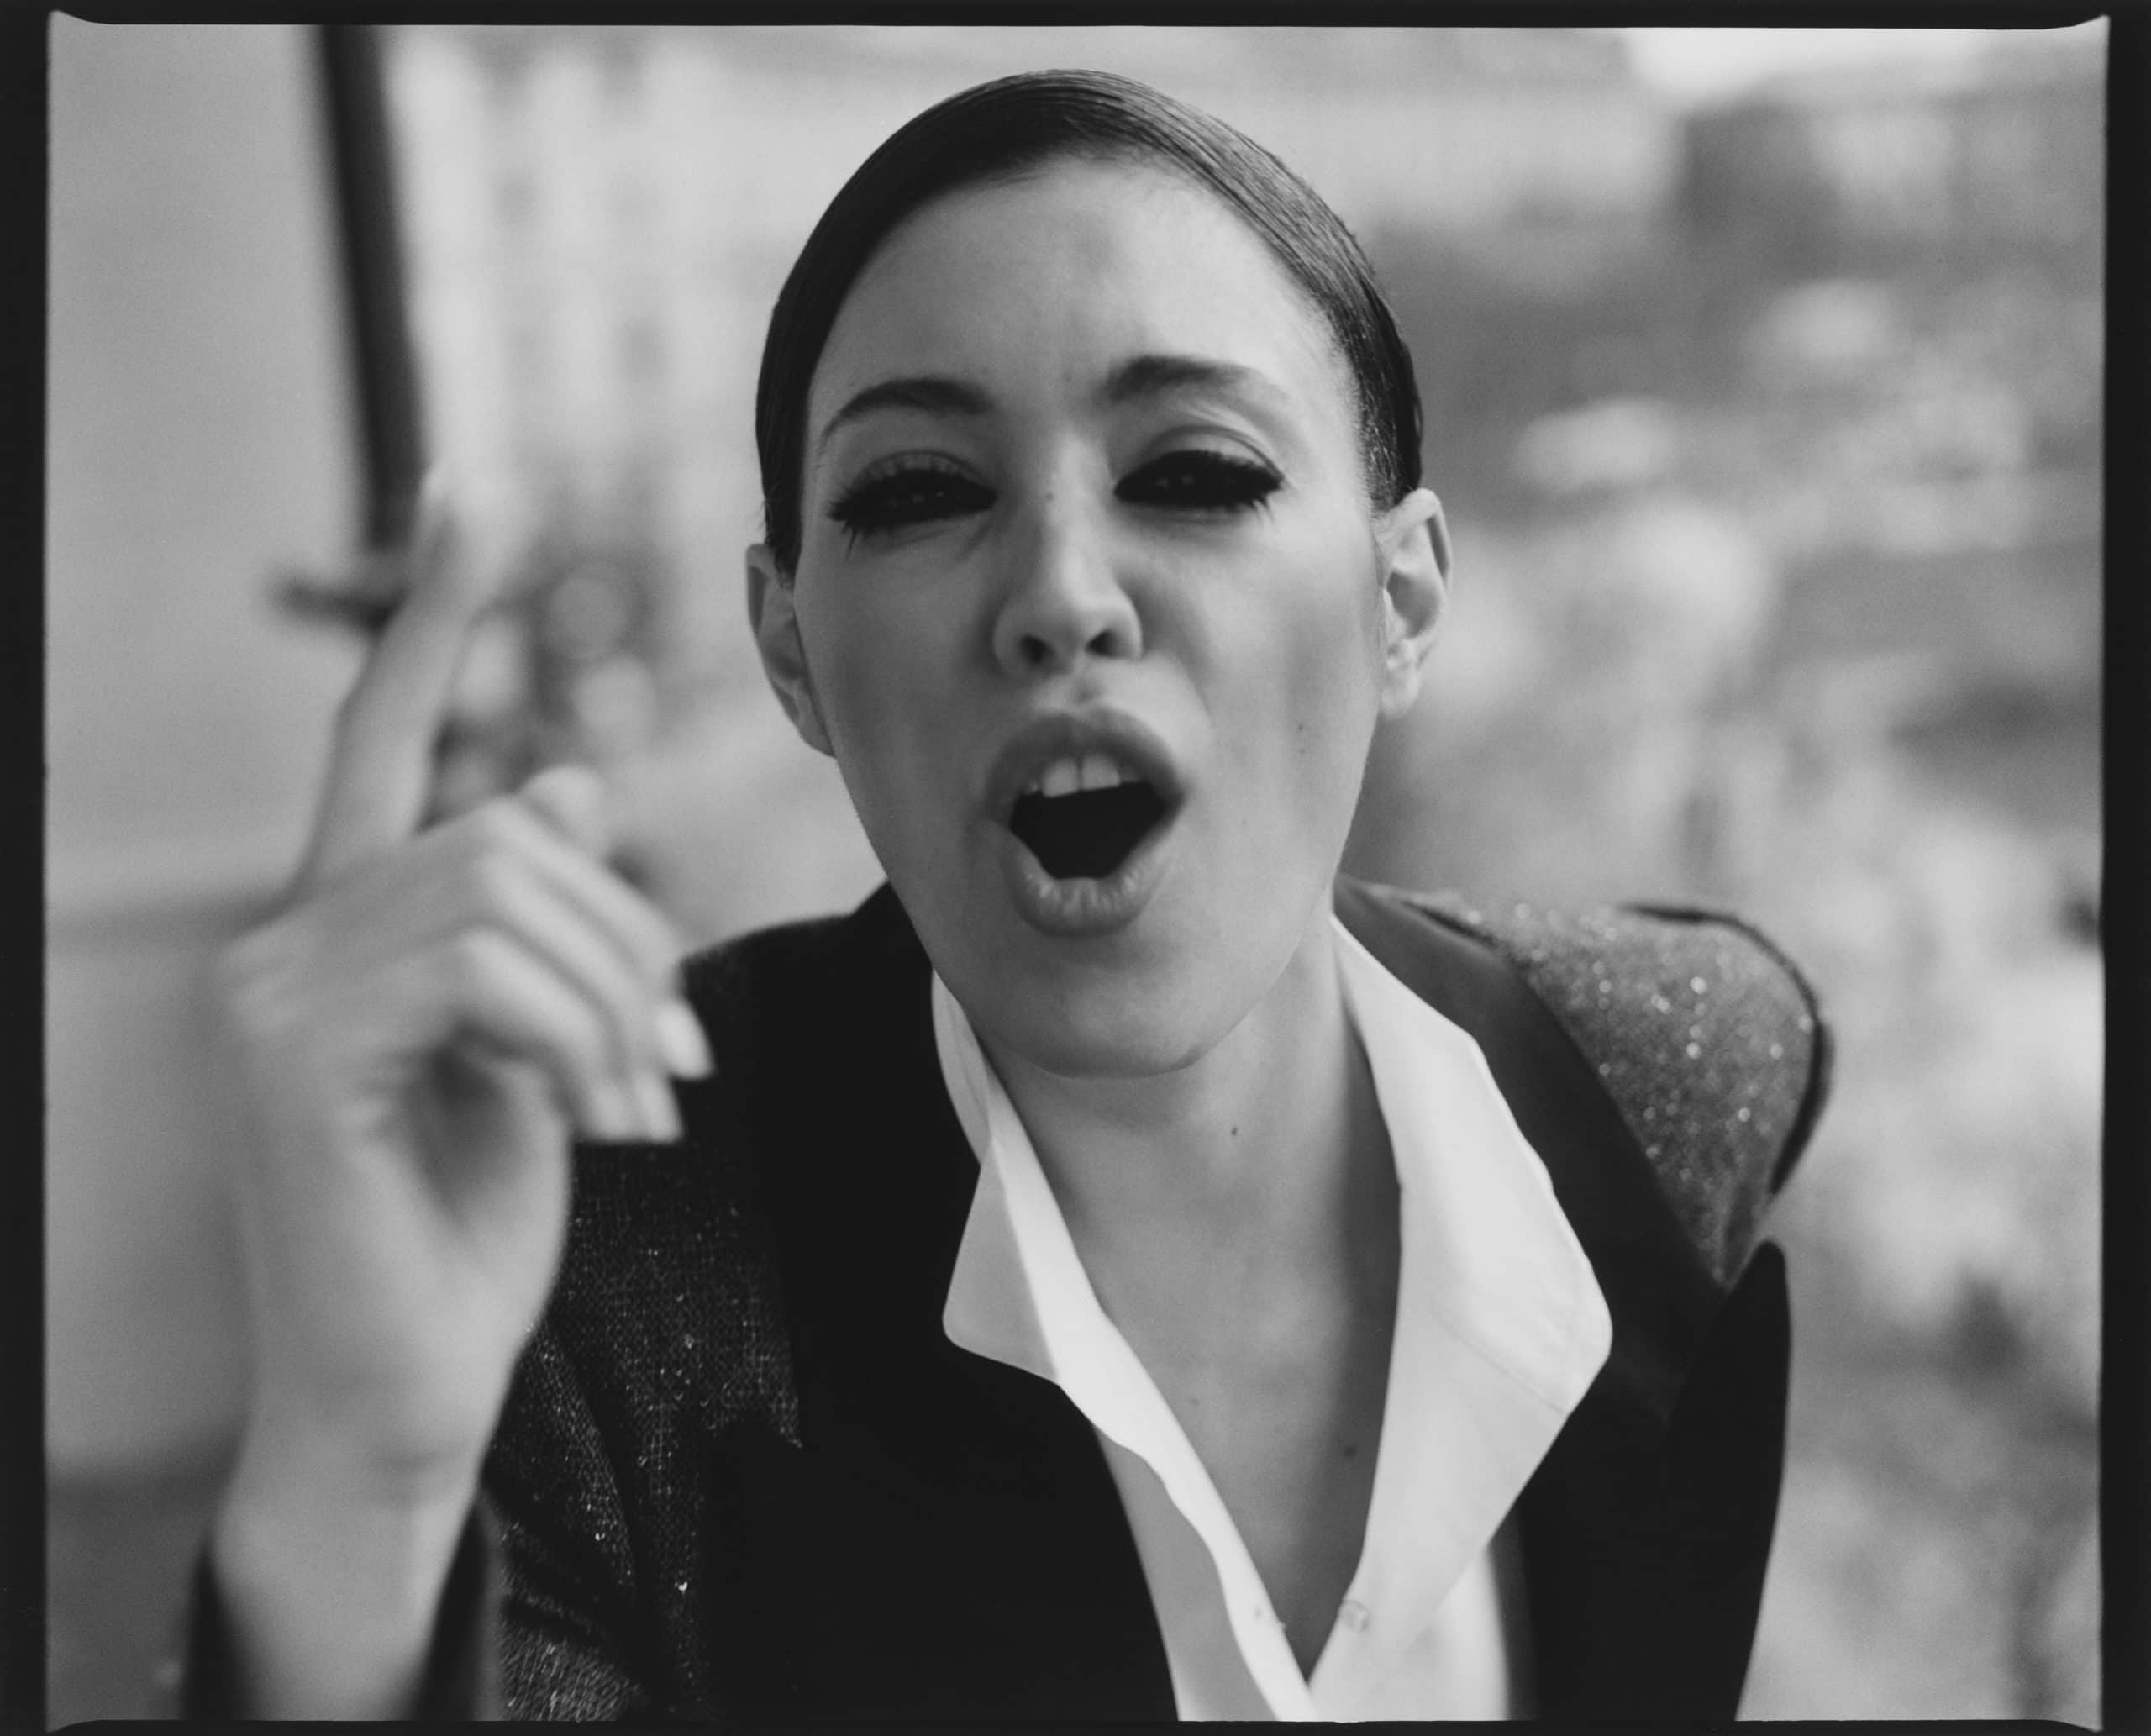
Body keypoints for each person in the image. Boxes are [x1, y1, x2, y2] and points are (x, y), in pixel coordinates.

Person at [177, 68, 1828, 1722]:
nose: (1059, 592)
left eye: (1195, 471)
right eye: (917, 491)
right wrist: (359, 1492)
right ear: (790, 652)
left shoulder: (1678, 1075)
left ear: (1397, 599)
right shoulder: (579, 1271)